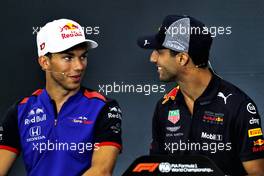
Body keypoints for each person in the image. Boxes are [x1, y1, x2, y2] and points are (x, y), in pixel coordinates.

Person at [137, 15, 264, 175]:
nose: (152, 58)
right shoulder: (164, 106)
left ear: (182, 58)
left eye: (159, 52)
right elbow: (156, 168)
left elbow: (257, 173)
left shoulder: (238, 106)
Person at [0, 19, 122, 176]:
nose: (79, 66)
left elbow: (102, 171)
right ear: (44, 62)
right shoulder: (20, 110)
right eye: (68, 57)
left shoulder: (104, 107)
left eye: (83, 56)